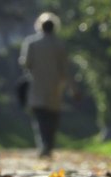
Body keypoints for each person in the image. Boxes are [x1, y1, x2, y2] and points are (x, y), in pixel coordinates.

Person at [18, 12, 74, 158]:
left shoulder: (31, 43)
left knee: (40, 118)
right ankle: (48, 144)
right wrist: (73, 89)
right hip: (55, 86)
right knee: (52, 118)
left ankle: (44, 145)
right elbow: (65, 70)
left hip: (37, 85)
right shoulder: (59, 45)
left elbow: (25, 64)